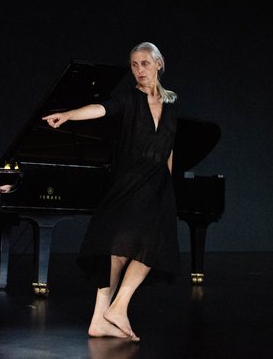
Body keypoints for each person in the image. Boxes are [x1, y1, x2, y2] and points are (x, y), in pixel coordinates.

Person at [43, 42, 180, 342]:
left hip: (157, 184)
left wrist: (168, 186)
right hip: (130, 182)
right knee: (119, 250)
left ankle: (103, 317)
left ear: (159, 64)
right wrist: (68, 115)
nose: (139, 70)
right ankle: (114, 311)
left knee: (145, 246)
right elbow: (101, 109)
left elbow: (168, 149)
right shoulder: (128, 99)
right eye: (133, 64)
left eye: (144, 63)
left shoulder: (171, 105)